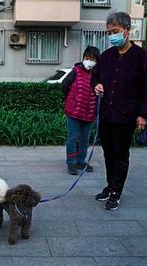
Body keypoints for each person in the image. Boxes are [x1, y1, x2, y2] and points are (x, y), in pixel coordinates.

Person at [92, 12, 147, 211]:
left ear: (127, 30)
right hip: (107, 114)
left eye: (115, 31)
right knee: (108, 153)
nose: (112, 36)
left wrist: (143, 114)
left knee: (120, 154)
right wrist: (97, 85)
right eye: (109, 32)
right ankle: (110, 186)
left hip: (126, 115)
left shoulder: (141, 57)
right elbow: (94, 77)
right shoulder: (106, 56)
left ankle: (116, 192)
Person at [62, 46, 100, 175]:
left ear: (97, 61)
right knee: (72, 138)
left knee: (84, 138)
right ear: (83, 58)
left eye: (92, 59)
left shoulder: (97, 75)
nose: (89, 61)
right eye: (87, 58)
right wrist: (72, 99)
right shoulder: (76, 71)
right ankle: (71, 162)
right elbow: (64, 85)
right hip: (74, 112)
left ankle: (80, 161)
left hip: (89, 112)